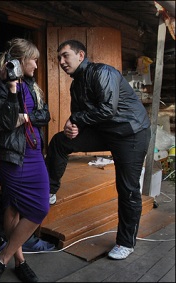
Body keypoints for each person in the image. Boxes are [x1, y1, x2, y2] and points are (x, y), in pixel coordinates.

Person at [45, 40, 151, 260]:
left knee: (128, 188)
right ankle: (49, 191)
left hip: (131, 132)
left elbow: (107, 109)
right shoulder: (76, 85)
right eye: (59, 58)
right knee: (60, 141)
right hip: (106, 132)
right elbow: (83, 116)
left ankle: (126, 243)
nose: (61, 62)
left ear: (81, 55)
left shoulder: (102, 72)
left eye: (66, 56)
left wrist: (75, 119)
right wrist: (75, 128)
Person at [0, 38, 51, 282]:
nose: (36, 65)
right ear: (21, 61)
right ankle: (20, 261)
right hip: (12, 156)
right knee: (13, 207)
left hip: (34, 154)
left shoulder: (32, 84)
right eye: (34, 60)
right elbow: (6, 122)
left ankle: (2, 257)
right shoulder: (1, 87)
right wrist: (12, 89)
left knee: (40, 207)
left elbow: (46, 114)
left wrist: (25, 117)